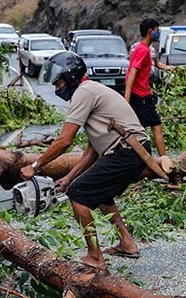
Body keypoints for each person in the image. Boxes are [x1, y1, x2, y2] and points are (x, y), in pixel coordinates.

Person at [20, 51, 149, 270]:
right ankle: (127, 243)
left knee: (78, 195)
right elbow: (92, 149)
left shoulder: (84, 92)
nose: (56, 88)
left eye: (58, 82)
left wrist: (35, 166)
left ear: (70, 77)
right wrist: (69, 177)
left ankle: (95, 257)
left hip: (128, 152)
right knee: (101, 195)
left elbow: (64, 140)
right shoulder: (91, 90)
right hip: (127, 151)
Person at [124, 18, 166, 156]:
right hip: (142, 95)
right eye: (157, 30)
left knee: (139, 129)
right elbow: (132, 72)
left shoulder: (143, 49)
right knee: (156, 126)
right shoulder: (143, 50)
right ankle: (164, 159)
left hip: (140, 94)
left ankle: (141, 158)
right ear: (150, 31)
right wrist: (127, 97)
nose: (158, 33)